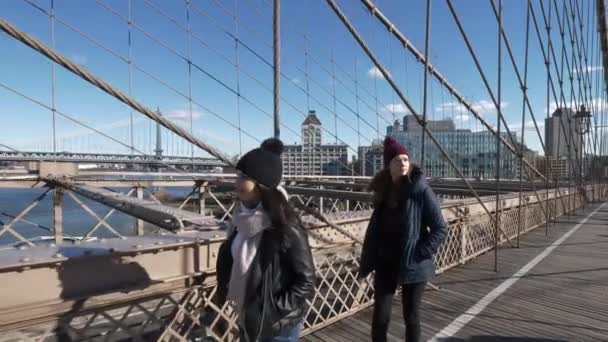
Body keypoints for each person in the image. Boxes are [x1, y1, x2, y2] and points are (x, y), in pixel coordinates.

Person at [215, 138, 315, 342]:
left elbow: (306, 280)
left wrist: (270, 310)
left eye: (243, 176)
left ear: (261, 185)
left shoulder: (286, 226)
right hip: (247, 318)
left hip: (278, 328)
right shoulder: (239, 220)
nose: (236, 181)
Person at [359, 137, 447, 342]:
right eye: (398, 160)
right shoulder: (382, 190)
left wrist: (419, 253)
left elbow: (440, 229)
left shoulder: (420, 190)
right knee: (380, 317)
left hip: (413, 262)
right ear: (388, 165)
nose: (403, 163)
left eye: (406, 159)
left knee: (412, 317)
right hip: (386, 261)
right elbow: (375, 230)